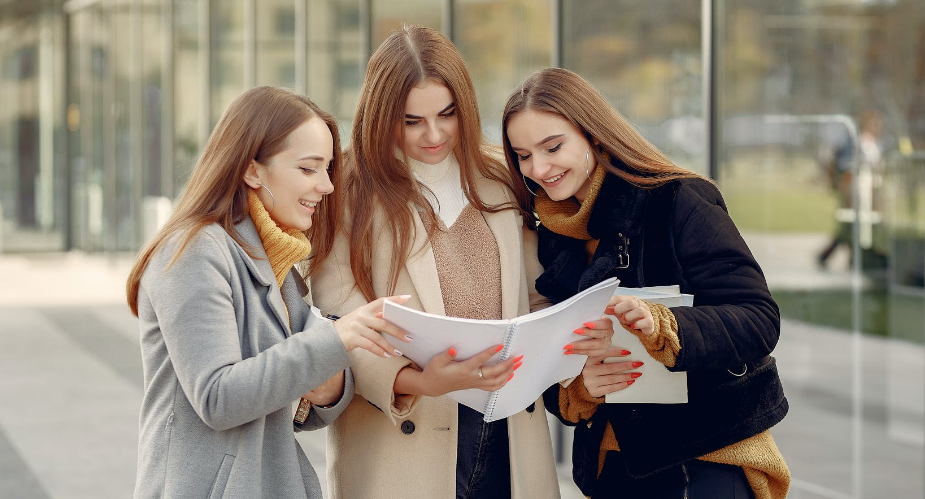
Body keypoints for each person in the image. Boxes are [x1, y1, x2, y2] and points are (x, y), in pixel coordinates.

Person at [309, 25, 594, 499]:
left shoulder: (502, 180)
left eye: (447, 113)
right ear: (382, 116)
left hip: (508, 430)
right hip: (405, 436)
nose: (434, 134)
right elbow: (336, 315)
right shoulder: (347, 191)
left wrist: (559, 344)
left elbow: (537, 289)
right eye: (412, 120)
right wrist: (416, 379)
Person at [501, 67, 791, 499]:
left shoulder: (677, 200)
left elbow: (758, 318)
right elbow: (552, 355)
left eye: (552, 146)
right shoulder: (549, 236)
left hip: (708, 458)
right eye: (523, 155)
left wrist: (664, 325)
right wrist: (582, 385)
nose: (538, 168)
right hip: (615, 469)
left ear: (593, 135)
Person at [126, 86, 410, 499]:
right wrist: (336, 339)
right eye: (309, 169)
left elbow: (292, 404)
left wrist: (329, 382)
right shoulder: (195, 251)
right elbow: (218, 398)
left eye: (328, 169)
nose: (328, 186)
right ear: (252, 170)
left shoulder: (279, 262)